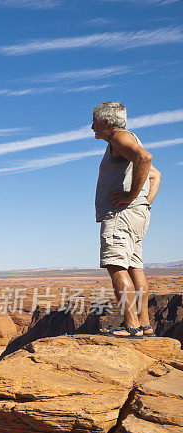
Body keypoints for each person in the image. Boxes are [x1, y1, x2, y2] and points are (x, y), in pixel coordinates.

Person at [91, 101, 162, 338]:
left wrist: (130, 196)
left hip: (120, 215)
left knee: (116, 266)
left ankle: (131, 326)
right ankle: (145, 324)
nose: (92, 127)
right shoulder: (130, 139)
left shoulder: (119, 139)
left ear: (106, 123)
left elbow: (145, 158)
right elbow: (156, 175)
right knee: (135, 268)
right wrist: (144, 202)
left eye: (95, 122)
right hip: (135, 215)